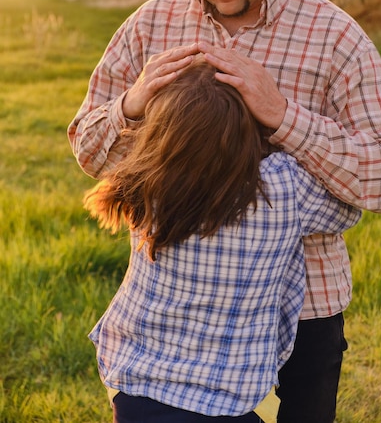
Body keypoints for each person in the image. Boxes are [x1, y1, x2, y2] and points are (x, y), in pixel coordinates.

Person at [68, 0, 381, 423]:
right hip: (184, 308)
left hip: (308, 302)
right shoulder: (151, 24)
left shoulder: (336, 37)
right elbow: (87, 151)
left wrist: (283, 117)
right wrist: (131, 106)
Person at [83, 60, 362, 423]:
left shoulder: (147, 182)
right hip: (224, 398)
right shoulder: (282, 186)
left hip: (136, 383)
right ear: (253, 131)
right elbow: (348, 209)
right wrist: (283, 128)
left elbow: (107, 152)